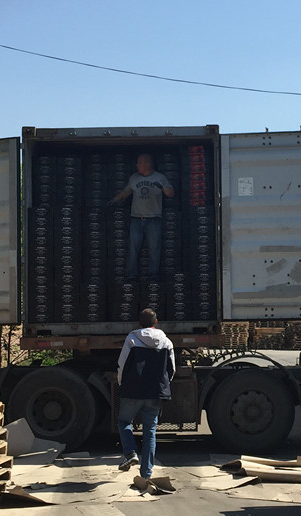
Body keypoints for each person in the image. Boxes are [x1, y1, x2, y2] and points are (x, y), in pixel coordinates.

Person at [116, 307, 176, 478]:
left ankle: (130, 453)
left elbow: (122, 364)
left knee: (124, 422)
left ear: (139, 323)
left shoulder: (132, 338)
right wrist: (162, 386)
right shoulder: (166, 342)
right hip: (155, 392)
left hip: (133, 390)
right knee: (150, 431)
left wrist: (122, 383)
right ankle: (146, 474)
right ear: (156, 323)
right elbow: (171, 369)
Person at [111, 154, 175, 281]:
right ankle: (131, 275)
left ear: (147, 164)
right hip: (136, 219)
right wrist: (114, 200)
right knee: (133, 249)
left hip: (153, 220)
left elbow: (171, 194)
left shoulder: (160, 177)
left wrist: (162, 187)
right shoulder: (134, 178)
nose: (137, 165)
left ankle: (153, 275)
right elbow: (125, 192)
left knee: (154, 249)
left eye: (139, 163)